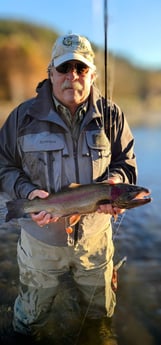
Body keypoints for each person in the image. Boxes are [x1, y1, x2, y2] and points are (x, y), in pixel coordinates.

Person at [0, 34, 137, 344]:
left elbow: (126, 164)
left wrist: (116, 181)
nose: (72, 75)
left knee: (98, 314)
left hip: (95, 242)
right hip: (40, 243)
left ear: (92, 74)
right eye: (64, 68)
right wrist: (26, 194)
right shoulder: (22, 117)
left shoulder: (112, 116)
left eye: (81, 68)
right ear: (50, 72)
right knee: (32, 318)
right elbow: (2, 166)